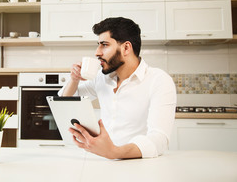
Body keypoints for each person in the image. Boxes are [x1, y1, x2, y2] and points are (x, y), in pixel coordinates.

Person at [59, 17, 176, 160]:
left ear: (126, 48)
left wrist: (114, 152)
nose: (97, 52)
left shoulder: (158, 80)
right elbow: (65, 101)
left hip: (139, 164)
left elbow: (159, 139)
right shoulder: (101, 78)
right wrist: (74, 79)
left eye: (104, 45)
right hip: (104, 161)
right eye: (98, 45)